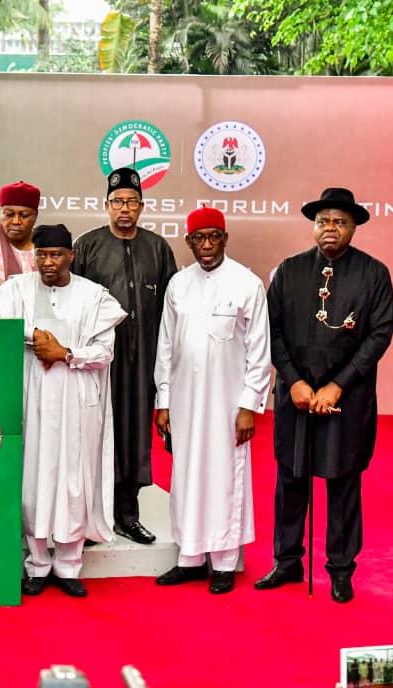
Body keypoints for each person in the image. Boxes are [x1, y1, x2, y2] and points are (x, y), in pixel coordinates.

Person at [255, 187, 393, 603]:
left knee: (343, 481)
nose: (330, 228)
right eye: (323, 221)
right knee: (291, 479)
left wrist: (338, 383)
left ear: (353, 228)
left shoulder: (374, 274)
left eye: (339, 222)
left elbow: (380, 332)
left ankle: (340, 568)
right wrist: (294, 381)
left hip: (346, 398)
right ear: (313, 226)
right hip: (294, 395)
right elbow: (271, 330)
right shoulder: (289, 271)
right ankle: (287, 561)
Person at [0, 224, 126, 598]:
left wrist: (65, 353)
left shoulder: (94, 296)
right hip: (31, 399)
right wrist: (36, 338)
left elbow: (105, 352)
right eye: (42, 254)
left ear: (71, 256)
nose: (48, 262)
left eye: (56, 255)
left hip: (77, 402)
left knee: (73, 480)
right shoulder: (16, 289)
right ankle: (37, 564)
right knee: (33, 479)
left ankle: (68, 566)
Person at [153, 207, 271, 595]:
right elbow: (166, 346)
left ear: (225, 237)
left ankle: (222, 561)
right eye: (198, 238)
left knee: (224, 476)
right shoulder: (178, 285)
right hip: (184, 399)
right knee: (185, 475)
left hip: (228, 405)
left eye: (213, 237)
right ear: (188, 242)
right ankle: (189, 557)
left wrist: (249, 406)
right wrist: (164, 401)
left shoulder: (246, 283)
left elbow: (259, 351)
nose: (206, 245)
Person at [71, 167, 177, 544]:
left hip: (143, 359)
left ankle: (127, 515)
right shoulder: (87, 246)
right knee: (93, 433)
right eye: (118, 202)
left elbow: (171, 307)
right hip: (98, 361)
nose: (125, 209)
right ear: (106, 205)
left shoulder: (158, 249)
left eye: (132, 202)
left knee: (133, 434)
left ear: (142, 206)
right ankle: (86, 519)